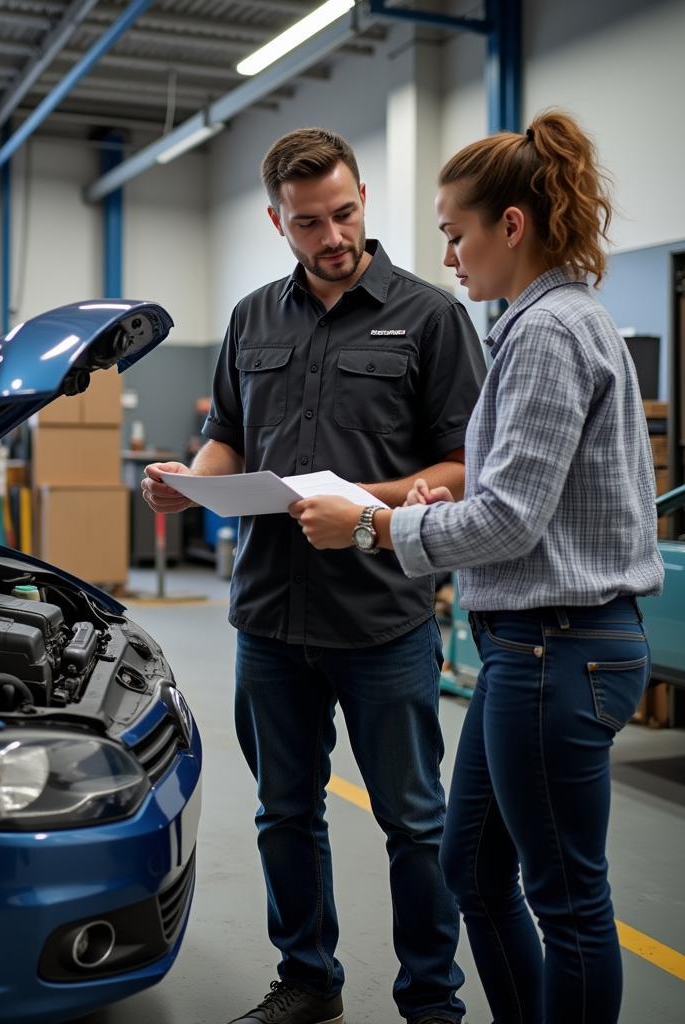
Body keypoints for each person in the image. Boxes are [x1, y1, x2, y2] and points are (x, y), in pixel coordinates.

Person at [291, 111, 664, 1024]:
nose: (449, 257)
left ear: (512, 226)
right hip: (529, 651)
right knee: (470, 872)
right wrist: (433, 510)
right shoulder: (540, 323)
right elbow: (518, 504)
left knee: (567, 900)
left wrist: (373, 526)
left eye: (456, 234)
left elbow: (506, 520)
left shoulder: (546, 334)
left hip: (556, 649)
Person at [142, 127, 485, 1024]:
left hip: (383, 620)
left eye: (344, 214)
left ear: (364, 197)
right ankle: (308, 980)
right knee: (284, 814)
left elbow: (461, 469)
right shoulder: (253, 318)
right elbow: (228, 441)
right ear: (276, 222)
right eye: (308, 223)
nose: (332, 236)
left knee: (414, 822)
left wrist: (360, 506)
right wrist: (188, 485)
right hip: (268, 617)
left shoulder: (432, 316)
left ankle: (431, 999)